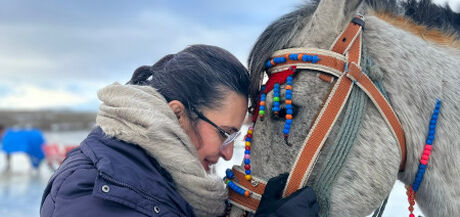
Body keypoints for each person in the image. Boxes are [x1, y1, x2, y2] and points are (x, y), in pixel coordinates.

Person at [40, 44, 319, 217]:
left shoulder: (160, 177)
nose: (227, 153)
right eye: (224, 133)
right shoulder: (94, 188)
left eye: (235, 136)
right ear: (178, 115)